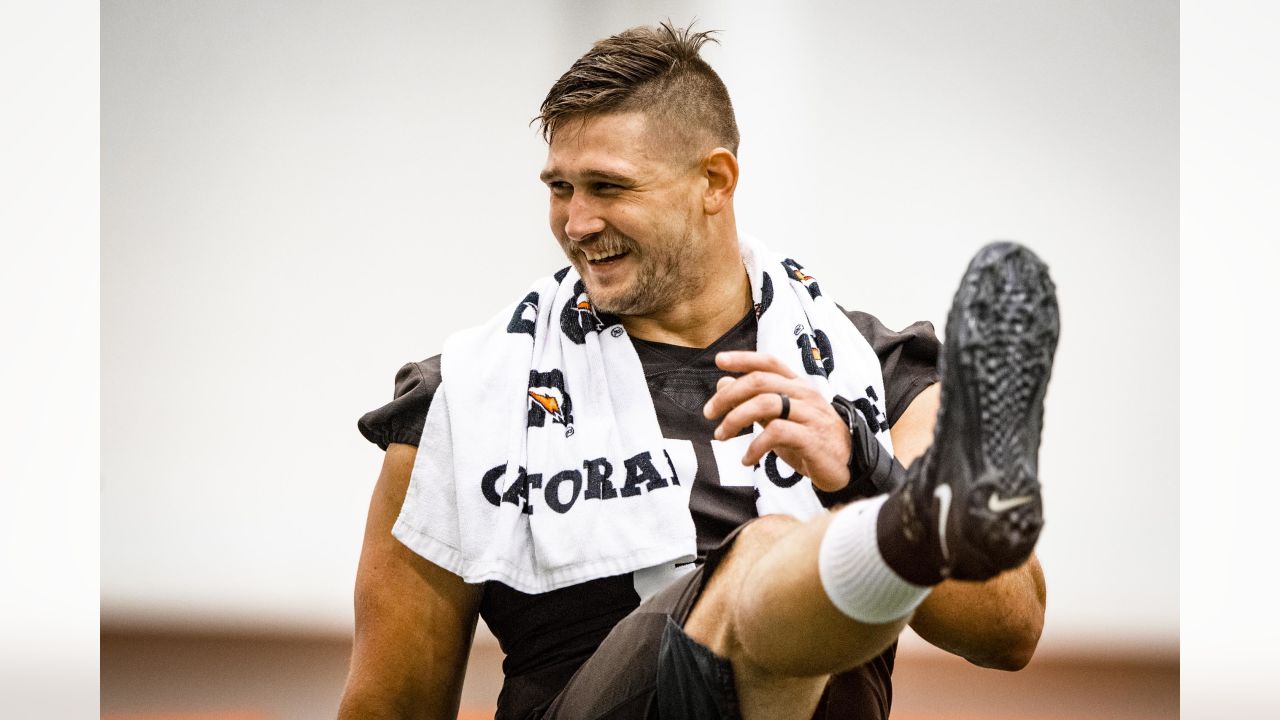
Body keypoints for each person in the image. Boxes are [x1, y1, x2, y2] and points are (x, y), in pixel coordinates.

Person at [338, 22, 1058, 720]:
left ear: (715, 180)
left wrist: (864, 471)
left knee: (795, 578)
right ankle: (898, 534)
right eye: (560, 189)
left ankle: (897, 522)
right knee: (770, 550)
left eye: (608, 188)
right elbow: (390, 705)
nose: (577, 222)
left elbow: (1012, 629)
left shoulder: (876, 372)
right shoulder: (462, 400)